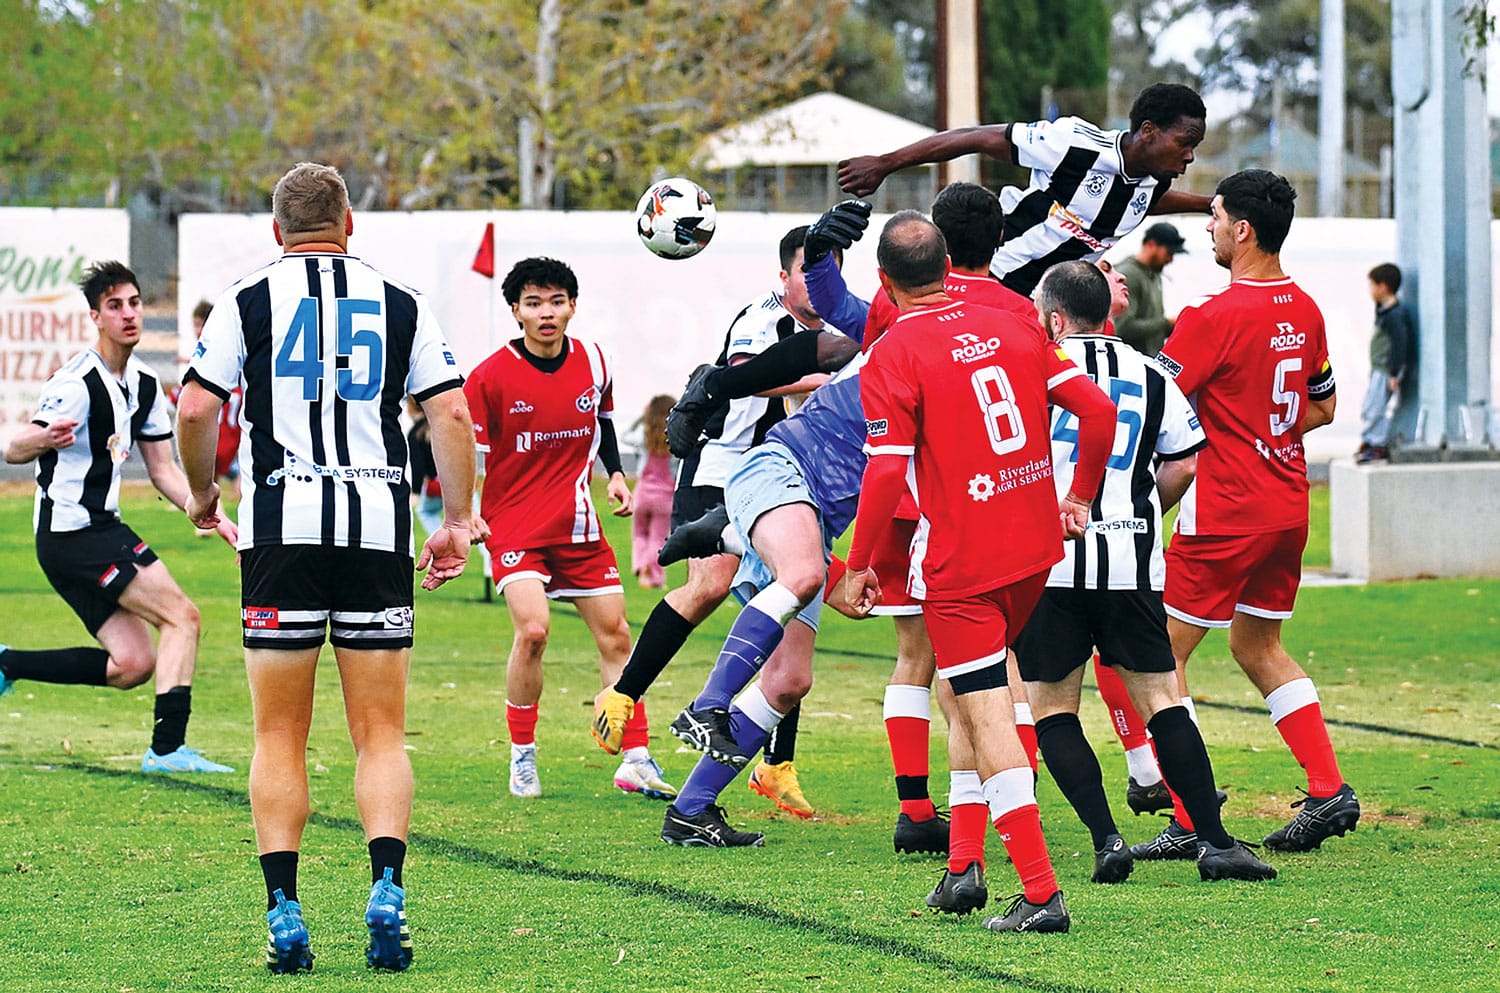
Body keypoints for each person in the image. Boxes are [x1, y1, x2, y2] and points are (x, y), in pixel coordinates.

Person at [176, 162, 475, 974]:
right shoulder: (401, 300)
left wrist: (202, 492)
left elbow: (196, 406)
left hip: (281, 531)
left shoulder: (247, 298)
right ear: (350, 223)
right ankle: (387, 887)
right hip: (376, 530)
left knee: (279, 732)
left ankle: (284, 907)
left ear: (277, 231)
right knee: (380, 731)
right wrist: (456, 521)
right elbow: (449, 410)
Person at [845, 213, 1118, 933]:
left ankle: (1040, 891)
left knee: (987, 708)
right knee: (963, 693)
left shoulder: (893, 350)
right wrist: (1079, 496)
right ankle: (964, 865)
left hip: (963, 561)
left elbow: (885, 473)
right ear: (948, 266)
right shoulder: (1015, 320)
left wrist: (859, 564)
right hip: (1032, 547)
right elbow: (1096, 410)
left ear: (884, 282)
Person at [1013, 260, 1276, 884]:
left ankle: (1107, 840)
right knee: (1161, 699)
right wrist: (1141, 509)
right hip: (1130, 561)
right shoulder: (1152, 372)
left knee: (1053, 708)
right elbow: (1185, 462)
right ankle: (1215, 844)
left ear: (1054, 318)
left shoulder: (1031, 369)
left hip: (1050, 565)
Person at [592, 223, 861, 820]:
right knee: (713, 584)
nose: (819, 284)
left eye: (830, 273)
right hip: (721, 464)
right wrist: (831, 381)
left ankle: (775, 763)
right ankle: (624, 692)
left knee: (789, 604)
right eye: (807, 272)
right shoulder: (762, 319)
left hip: (785, 478)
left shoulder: (842, 329)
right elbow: (745, 372)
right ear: (784, 276)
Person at [806, 185, 1040, 856]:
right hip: (991, 508)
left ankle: (917, 807)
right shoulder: (1018, 311)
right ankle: (1007, 800)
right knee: (997, 664)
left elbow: (839, 311)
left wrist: (821, 254)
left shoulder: (895, 306)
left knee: (915, 657)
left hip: (906, 506)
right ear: (999, 241)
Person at [1150, 168, 1359, 857]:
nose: (1208, 228)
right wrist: (1264, 428)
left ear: (1242, 229)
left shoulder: (1210, 317)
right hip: (1287, 503)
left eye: (1213, 217)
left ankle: (1189, 816)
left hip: (1226, 509)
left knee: (1160, 658)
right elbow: (1324, 406)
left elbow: (1154, 407)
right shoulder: (1305, 307)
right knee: (1257, 645)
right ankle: (1328, 788)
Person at [0, 260, 235, 776]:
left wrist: (215, 517)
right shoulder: (75, 383)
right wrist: (42, 438)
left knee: (132, 665)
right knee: (183, 617)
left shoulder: (145, 383)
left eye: (134, 303)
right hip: (72, 535)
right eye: (115, 306)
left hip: (98, 531)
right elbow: (15, 448)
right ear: (96, 317)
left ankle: (7, 663)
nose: (128, 314)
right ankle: (167, 750)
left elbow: (163, 471)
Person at [465, 256, 675, 804]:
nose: (546, 313)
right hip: (514, 526)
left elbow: (603, 421)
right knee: (534, 631)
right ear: (516, 311)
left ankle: (636, 759)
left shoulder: (595, 361)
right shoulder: (488, 377)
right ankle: (522, 754)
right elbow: (469, 452)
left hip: (577, 523)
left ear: (572, 307)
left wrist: (617, 476)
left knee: (617, 636)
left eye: (556, 302)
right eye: (533, 303)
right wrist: (466, 513)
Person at [836, 83, 1211, 296]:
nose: (1190, 156)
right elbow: (976, 137)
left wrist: (1209, 204)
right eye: (1184, 142)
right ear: (1148, 131)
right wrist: (886, 163)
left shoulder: (1156, 178)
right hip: (987, 277)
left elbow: (1142, 201)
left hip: (1044, 306)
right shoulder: (1075, 144)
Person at [1356, 263, 1414, 463]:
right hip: (1378, 369)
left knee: (1376, 407)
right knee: (1369, 405)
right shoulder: (1384, 311)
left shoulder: (1395, 315)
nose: (1370, 290)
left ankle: (1377, 444)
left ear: (1383, 287)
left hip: (1386, 370)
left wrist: (1394, 373)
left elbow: (1400, 344)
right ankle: (1368, 440)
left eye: (1372, 285)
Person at [1112, 221, 1186, 357]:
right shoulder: (1129, 275)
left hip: (1149, 360)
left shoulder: (1154, 273)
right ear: (1151, 245)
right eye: (1169, 253)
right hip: (1131, 362)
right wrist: (1165, 323)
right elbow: (1123, 328)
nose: (1171, 259)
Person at [629, 394, 676, 588]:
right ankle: (654, 577)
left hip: (642, 494)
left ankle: (640, 566)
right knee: (657, 537)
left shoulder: (644, 437)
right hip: (664, 498)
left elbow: (625, 436)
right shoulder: (674, 440)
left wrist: (642, 417)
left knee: (639, 533)